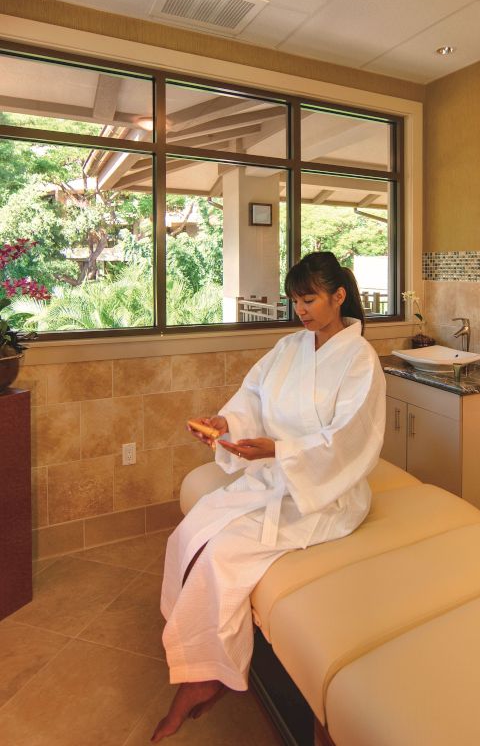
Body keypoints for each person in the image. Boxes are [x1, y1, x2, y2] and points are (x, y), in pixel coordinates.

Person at [151, 251, 386, 742]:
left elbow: (350, 438)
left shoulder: (360, 361)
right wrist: (226, 424)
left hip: (325, 492)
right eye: (295, 301)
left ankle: (206, 676)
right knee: (191, 530)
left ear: (338, 296)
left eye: (309, 299)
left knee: (224, 553)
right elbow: (254, 396)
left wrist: (281, 450)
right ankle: (196, 651)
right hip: (275, 474)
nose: (300, 310)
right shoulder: (290, 346)